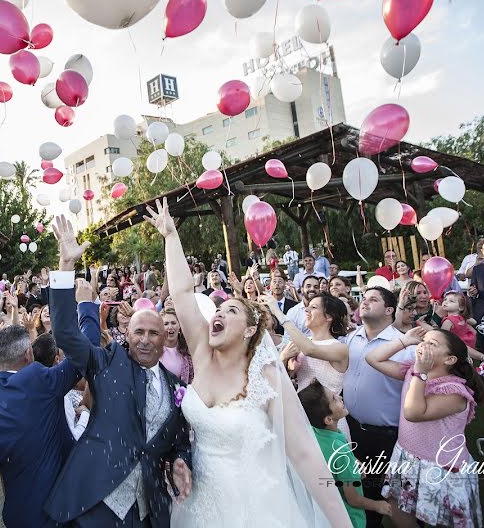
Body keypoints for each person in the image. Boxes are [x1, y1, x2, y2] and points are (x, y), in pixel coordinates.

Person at [144, 199, 350, 527]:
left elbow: (304, 454)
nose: (220, 313)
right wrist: (170, 237)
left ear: (251, 329)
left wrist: (342, 523)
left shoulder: (264, 374)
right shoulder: (201, 352)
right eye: (219, 310)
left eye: (232, 311)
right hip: (199, 504)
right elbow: (182, 293)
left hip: (255, 508)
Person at [46, 214, 194, 528]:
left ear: (164, 337)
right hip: (93, 501)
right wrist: (66, 268)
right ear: (126, 334)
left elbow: (180, 439)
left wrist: (181, 460)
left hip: (146, 509)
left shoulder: (178, 387)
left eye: (153, 333)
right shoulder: (105, 361)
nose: (145, 339)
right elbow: (65, 333)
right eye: (138, 332)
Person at [0, 278, 96, 528]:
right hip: (66, 507)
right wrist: (85, 305)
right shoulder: (39, 379)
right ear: (29, 354)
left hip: (21, 515)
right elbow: (84, 354)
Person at [366, 328, 484, 527]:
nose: (424, 345)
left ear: (450, 360)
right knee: (399, 510)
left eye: (433, 344)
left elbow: (413, 413)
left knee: (442, 520)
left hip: (441, 467)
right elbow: (373, 358)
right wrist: (404, 341)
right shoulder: (413, 372)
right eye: (424, 340)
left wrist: (420, 373)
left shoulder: (454, 391)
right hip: (407, 456)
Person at [342, 286, 415, 528]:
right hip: (351, 430)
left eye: (373, 299)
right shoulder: (351, 338)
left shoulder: (405, 347)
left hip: (384, 435)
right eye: (363, 299)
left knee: (383, 496)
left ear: (389, 310)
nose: (364, 302)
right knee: (354, 495)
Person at [299, 380, 391, 527]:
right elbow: (353, 499)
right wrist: (377, 505)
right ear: (329, 419)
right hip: (350, 519)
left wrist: (353, 459)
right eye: (334, 399)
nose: (340, 398)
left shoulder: (315, 432)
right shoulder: (341, 454)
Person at [274, 293, 350, 438]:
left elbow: (310, 349)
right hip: (302, 415)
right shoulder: (301, 342)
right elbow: (279, 377)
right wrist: (287, 364)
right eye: (307, 307)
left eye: (313, 307)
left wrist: (278, 312)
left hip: (330, 419)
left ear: (329, 317)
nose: (306, 311)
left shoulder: (340, 348)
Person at [160, 310, 193, 384]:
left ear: (179, 325)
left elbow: (192, 378)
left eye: (173, 323)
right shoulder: (154, 349)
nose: (170, 327)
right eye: (166, 324)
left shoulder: (188, 349)